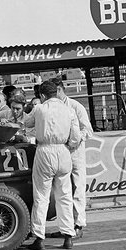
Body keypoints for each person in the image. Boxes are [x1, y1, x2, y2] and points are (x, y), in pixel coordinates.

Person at [24, 81, 80, 250]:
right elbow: (76, 137)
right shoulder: (69, 110)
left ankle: (39, 237)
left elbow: (27, 123)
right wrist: (68, 145)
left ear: (42, 95)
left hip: (45, 150)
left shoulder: (39, 108)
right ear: (56, 92)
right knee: (65, 195)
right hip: (63, 151)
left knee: (41, 196)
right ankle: (68, 235)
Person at [49, 78, 92, 240]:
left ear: (59, 90)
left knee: (78, 188)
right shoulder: (51, 107)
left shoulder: (75, 106)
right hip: (59, 152)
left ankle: (78, 224)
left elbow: (87, 130)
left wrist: (74, 140)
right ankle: (66, 227)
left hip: (75, 152)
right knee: (62, 191)